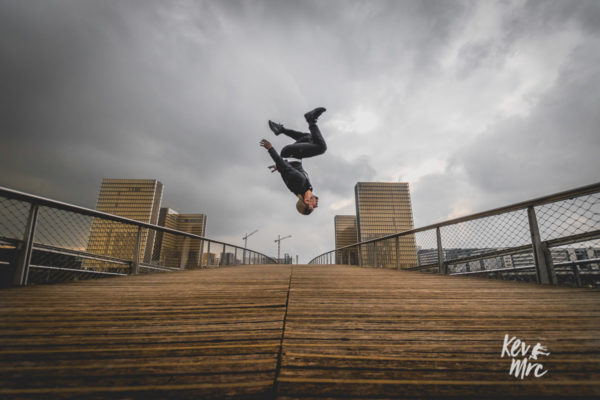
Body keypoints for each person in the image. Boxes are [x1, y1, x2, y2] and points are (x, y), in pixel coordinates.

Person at [260, 107, 327, 215]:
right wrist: (280, 167)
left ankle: (311, 120)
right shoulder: (305, 188)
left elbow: (286, 169)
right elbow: (286, 173)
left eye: (313, 206)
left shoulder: (299, 182)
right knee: (310, 137)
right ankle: (281, 130)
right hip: (294, 156)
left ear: (306, 201)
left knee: (321, 147)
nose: (316, 205)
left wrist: (270, 149)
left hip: (290, 153)